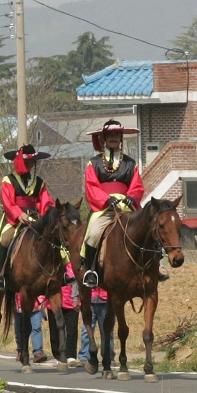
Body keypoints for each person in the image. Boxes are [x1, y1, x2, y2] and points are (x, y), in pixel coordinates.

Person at [80, 118, 145, 289]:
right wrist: (105, 199)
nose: (114, 138)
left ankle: (155, 266)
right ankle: (91, 271)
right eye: (110, 135)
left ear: (121, 138)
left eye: (117, 135)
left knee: (148, 227)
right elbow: (91, 186)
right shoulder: (93, 163)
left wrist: (132, 196)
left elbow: (137, 185)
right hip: (104, 208)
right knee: (93, 233)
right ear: (104, 138)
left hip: (126, 206)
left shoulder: (131, 163)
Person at [0, 144, 56, 292]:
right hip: (14, 218)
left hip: (35, 218)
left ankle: (63, 272)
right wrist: (19, 214)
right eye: (26, 163)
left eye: (31, 163)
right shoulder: (8, 180)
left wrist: (48, 214)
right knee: (5, 239)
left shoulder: (39, 182)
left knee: (53, 237)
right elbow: (7, 202)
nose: (29, 165)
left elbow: (45, 201)